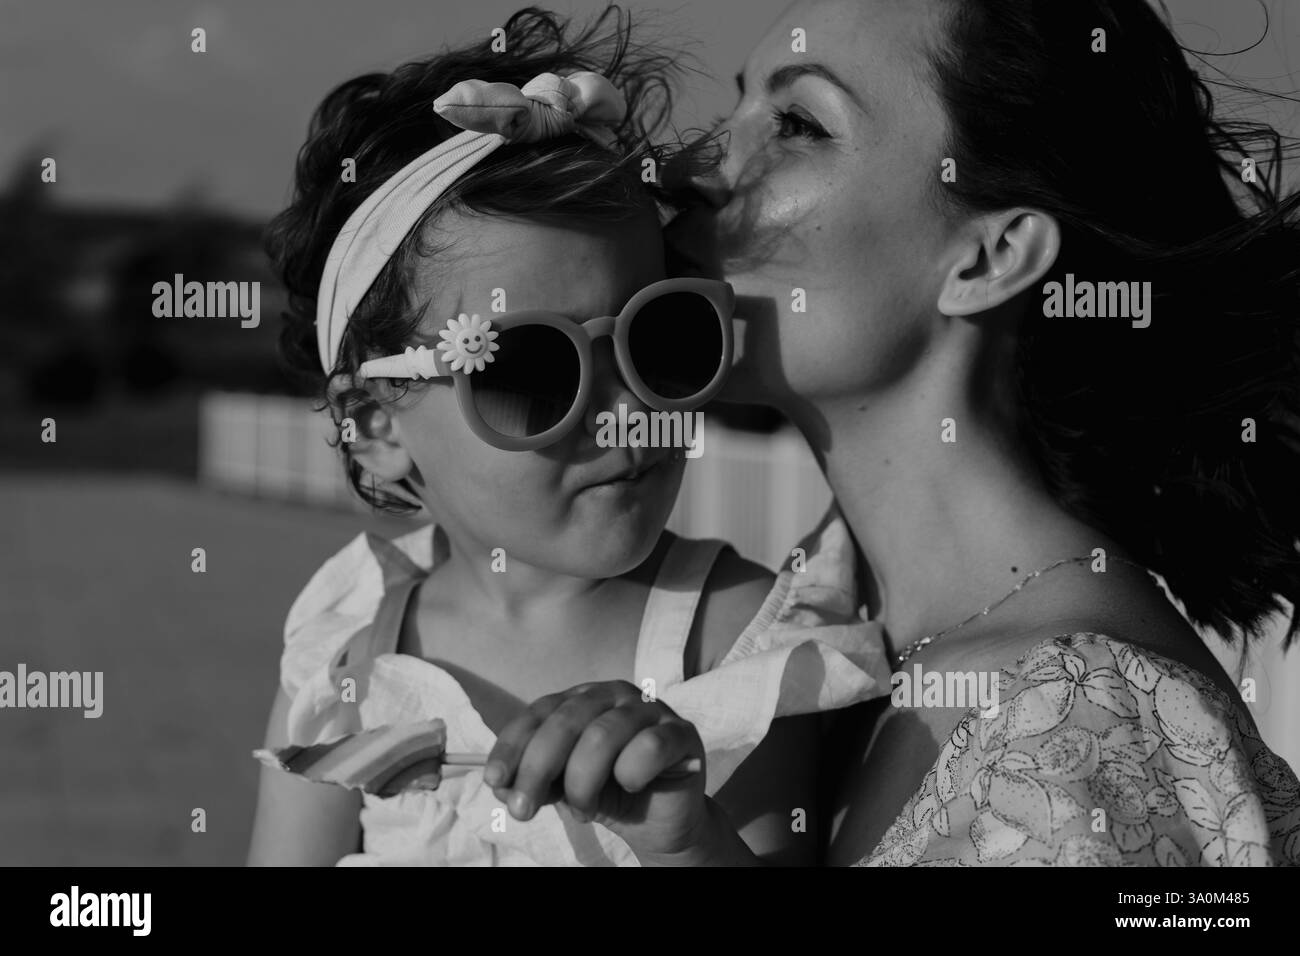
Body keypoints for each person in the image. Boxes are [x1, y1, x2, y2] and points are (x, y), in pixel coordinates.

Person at [480, 0, 1300, 866]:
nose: (688, 166)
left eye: (797, 124)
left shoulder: (1086, 728)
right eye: (738, 108)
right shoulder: (812, 634)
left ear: (989, 259)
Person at [246, 7, 890, 867]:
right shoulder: (346, 638)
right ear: (374, 425)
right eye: (531, 373)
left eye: (661, 339)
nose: (627, 410)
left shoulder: (733, 638)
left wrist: (683, 839)